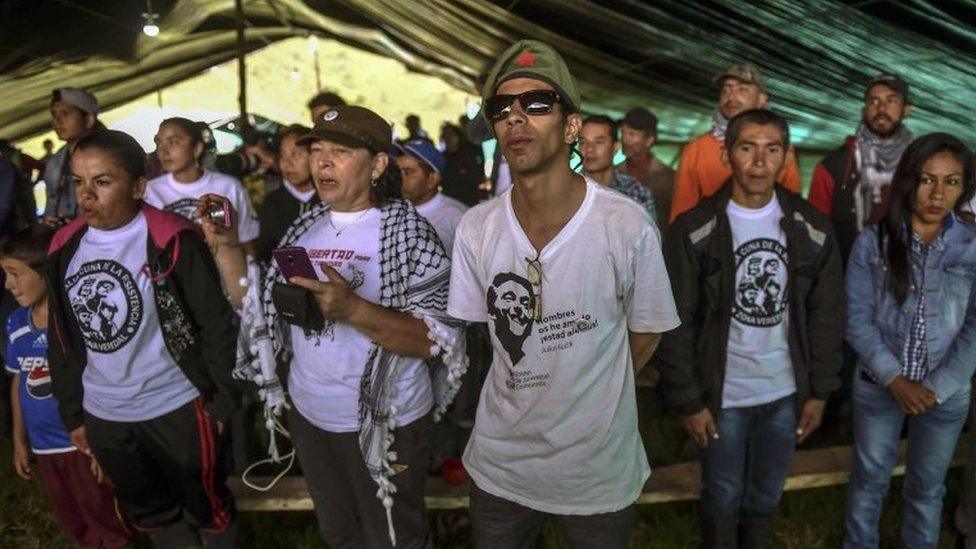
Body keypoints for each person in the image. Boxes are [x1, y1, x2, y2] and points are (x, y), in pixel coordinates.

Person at [449, 39, 679, 548]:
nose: (515, 118)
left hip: (593, 470)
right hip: (499, 465)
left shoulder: (624, 225)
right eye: (501, 109)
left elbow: (648, 331)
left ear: (571, 126)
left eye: (535, 104)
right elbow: (484, 335)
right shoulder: (477, 227)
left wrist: (588, 388)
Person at [204, 105, 466, 548]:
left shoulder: (410, 235)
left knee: (393, 539)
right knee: (340, 533)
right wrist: (227, 245)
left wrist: (352, 310)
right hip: (312, 415)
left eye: (340, 151)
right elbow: (254, 305)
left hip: (389, 421)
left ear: (378, 164)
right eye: (316, 150)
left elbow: (433, 340)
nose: (322, 162)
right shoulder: (304, 228)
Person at [658, 109, 844, 548]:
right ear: (727, 156)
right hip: (723, 397)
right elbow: (674, 321)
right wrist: (688, 400)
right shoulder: (695, 230)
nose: (759, 161)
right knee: (722, 496)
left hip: (783, 395)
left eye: (771, 149)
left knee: (764, 497)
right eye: (747, 148)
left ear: (786, 158)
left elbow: (827, 315)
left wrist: (819, 390)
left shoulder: (812, 229)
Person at [45, 129, 241, 547]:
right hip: (107, 415)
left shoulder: (172, 238)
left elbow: (215, 323)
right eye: (78, 182)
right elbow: (62, 335)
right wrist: (74, 412)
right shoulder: (65, 246)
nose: (87, 195)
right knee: (151, 511)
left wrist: (221, 401)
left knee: (208, 509)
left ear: (137, 186)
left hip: (177, 407)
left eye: (103, 181)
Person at [844, 133, 976, 548]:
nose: (938, 193)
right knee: (869, 480)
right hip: (880, 386)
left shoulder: (971, 246)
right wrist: (895, 379)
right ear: (907, 181)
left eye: (951, 182)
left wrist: (936, 388)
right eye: (927, 179)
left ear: (963, 187)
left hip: (946, 394)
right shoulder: (874, 242)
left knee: (926, 488)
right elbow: (857, 320)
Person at [3, 225, 135, 548]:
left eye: (15, 274)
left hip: (82, 447)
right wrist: (20, 441)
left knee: (108, 521)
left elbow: (104, 380)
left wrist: (99, 441)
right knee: (73, 522)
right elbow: (19, 380)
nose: (8, 285)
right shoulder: (16, 325)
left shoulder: (79, 322)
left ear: (45, 272)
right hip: (45, 449)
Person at [670, 64, 802, 222]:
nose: (731, 97)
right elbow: (681, 213)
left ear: (761, 99)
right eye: (726, 90)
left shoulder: (780, 150)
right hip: (711, 243)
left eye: (742, 89)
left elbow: (794, 209)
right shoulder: (696, 150)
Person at [808, 74, 914, 265]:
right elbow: (814, 232)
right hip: (848, 275)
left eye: (891, 101)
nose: (881, 108)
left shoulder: (920, 162)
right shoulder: (833, 166)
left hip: (905, 275)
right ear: (864, 110)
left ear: (906, 110)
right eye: (874, 101)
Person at [144, 117, 260, 256]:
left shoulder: (229, 187)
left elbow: (247, 244)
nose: (163, 151)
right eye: (159, 143)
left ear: (197, 149)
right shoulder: (150, 192)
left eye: (173, 142)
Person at [254, 124, 319, 261]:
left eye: (296, 154)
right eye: (283, 155)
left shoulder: (330, 201)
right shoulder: (272, 203)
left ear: (315, 157)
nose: (287, 163)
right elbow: (262, 252)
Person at [579, 114, 657, 222]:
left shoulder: (636, 193)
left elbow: (648, 236)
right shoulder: (565, 190)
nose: (589, 149)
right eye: (583, 142)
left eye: (599, 142)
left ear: (615, 147)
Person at [394, 137, 468, 252]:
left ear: (432, 179)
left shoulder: (459, 218)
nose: (398, 179)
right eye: (396, 171)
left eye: (407, 172)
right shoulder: (388, 211)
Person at [43, 88, 100, 221]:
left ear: (89, 120)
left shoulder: (110, 156)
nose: (57, 121)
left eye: (65, 113)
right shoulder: (54, 163)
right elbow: (52, 204)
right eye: (54, 114)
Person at [617, 107, 675, 230]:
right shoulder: (614, 173)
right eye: (623, 133)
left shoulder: (669, 179)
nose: (625, 139)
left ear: (649, 140)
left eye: (632, 134)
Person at [441, 122, 486, 207]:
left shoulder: (468, 155)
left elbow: (475, 177)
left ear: (457, 136)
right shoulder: (441, 158)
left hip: (468, 200)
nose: (448, 138)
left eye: (450, 134)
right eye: (445, 135)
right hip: (449, 202)